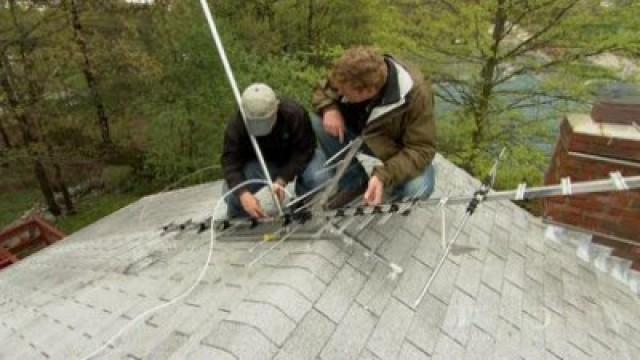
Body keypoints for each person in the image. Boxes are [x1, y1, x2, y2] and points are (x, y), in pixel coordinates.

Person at [311, 46, 437, 208]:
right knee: (318, 121)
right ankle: (354, 181)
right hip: (361, 133)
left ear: (369, 91)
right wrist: (329, 108)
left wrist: (384, 175)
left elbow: (422, 149)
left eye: (345, 92)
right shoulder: (351, 71)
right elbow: (324, 90)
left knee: (418, 189)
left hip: (394, 150)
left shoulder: (417, 96)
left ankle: (389, 191)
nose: (339, 93)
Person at [222, 83, 328, 219]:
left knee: (321, 177)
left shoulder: (294, 113)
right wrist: (243, 193)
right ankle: (243, 213)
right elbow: (230, 163)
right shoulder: (236, 126)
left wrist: (282, 180)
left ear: (276, 108)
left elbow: (305, 149)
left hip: (299, 158)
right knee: (232, 195)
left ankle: (302, 200)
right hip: (263, 164)